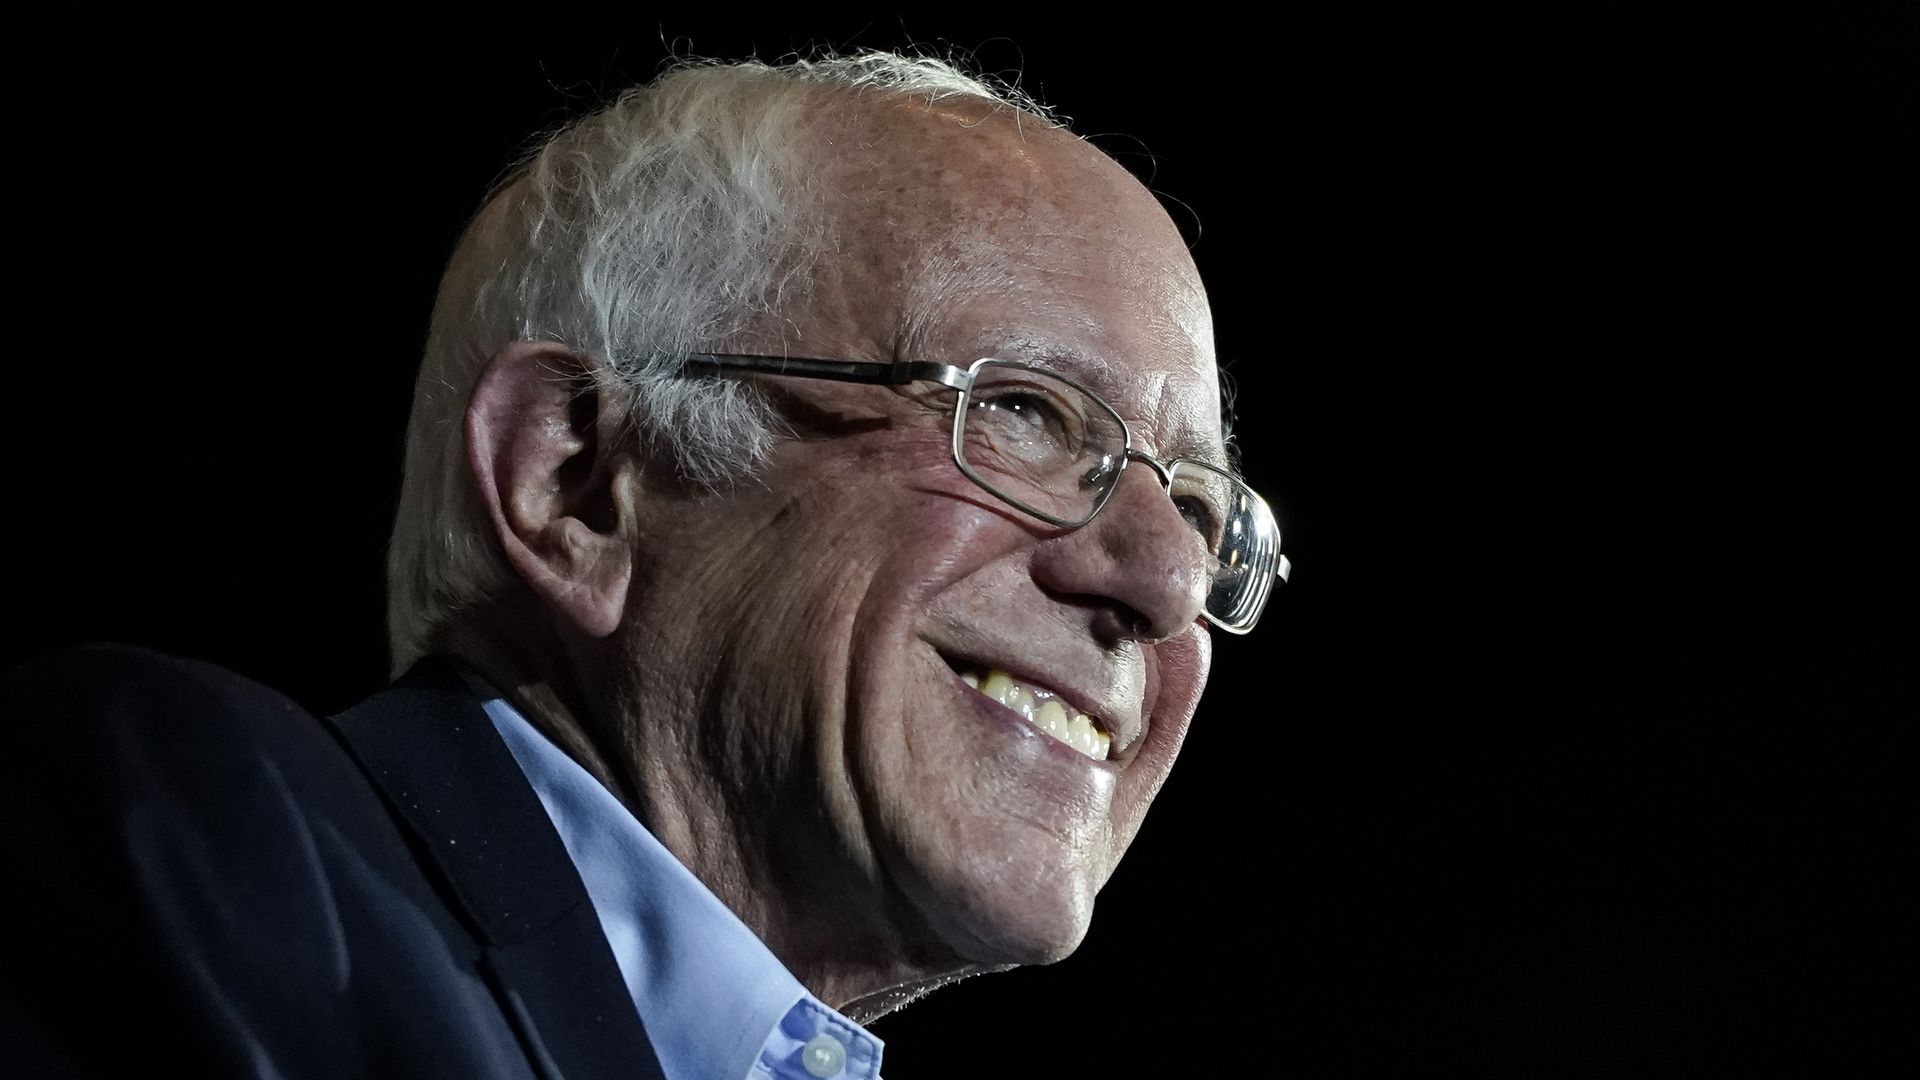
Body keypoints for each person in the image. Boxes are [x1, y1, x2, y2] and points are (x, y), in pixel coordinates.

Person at [2, 51, 1287, 1078]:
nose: (1166, 585)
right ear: (572, 480)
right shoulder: (188, 845)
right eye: (1023, 414)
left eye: (1197, 503)